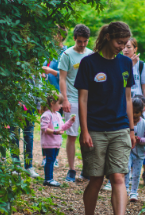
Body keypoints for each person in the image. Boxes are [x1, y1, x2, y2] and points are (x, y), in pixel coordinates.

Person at [74, 21, 136, 215]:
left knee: (118, 177)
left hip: (120, 129)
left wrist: (132, 130)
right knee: (96, 180)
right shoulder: (89, 63)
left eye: (126, 43)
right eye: (120, 42)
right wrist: (84, 131)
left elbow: (128, 98)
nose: (122, 47)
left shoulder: (126, 63)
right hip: (95, 129)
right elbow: (82, 100)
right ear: (108, 37)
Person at [59, 24, 93, 182]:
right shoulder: (67, 55)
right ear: (74, 39)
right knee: (72, 135)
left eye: (85, 41)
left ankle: (87, 169)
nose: (83, 44)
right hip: (72, 99)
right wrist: (64, 99)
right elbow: (62, 78)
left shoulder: (92, 54)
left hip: (89, 101)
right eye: (80, 41)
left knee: (89, 135)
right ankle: (72, 169)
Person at [41, 25, 69, 169]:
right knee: (45, 125)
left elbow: (66, 75)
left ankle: (55, 156)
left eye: (53, 34)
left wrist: (51, 71)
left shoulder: (65, 52)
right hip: (47, 95)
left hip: (59, 96)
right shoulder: (48, 52)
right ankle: (45, 156)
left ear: (59, 36)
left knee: (57, 126)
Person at [40, 91, 76, 186]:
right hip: (49, 143)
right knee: (50, 160)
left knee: (52, 160)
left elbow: (62, 127)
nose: (61, 106)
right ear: (52, 103)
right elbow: (44, 128)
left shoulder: (58, 115)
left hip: (56, 143)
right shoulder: (46, 115)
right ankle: (48, 179)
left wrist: (70, 122)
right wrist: (55, 132)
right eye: (59, 103)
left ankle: (50, 178)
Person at [124, 97, 145, 202]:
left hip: (139, 153)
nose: (134, 115)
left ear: (141, 112)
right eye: (132, 112)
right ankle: (125, 189)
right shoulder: (126, 122)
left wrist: (140, 140)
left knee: (136, 174)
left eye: (137, 112)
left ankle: (134, 192)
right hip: (128, 151)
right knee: (126, 170)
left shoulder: (144, 124)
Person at [122, 38, 145, 112]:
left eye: (129, 47)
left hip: (138, 103)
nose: (125, 50)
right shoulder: (118, 63)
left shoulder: (141, 65)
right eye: (124, 47)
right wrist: (131, 65)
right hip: (123, 101)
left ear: (135, 49)